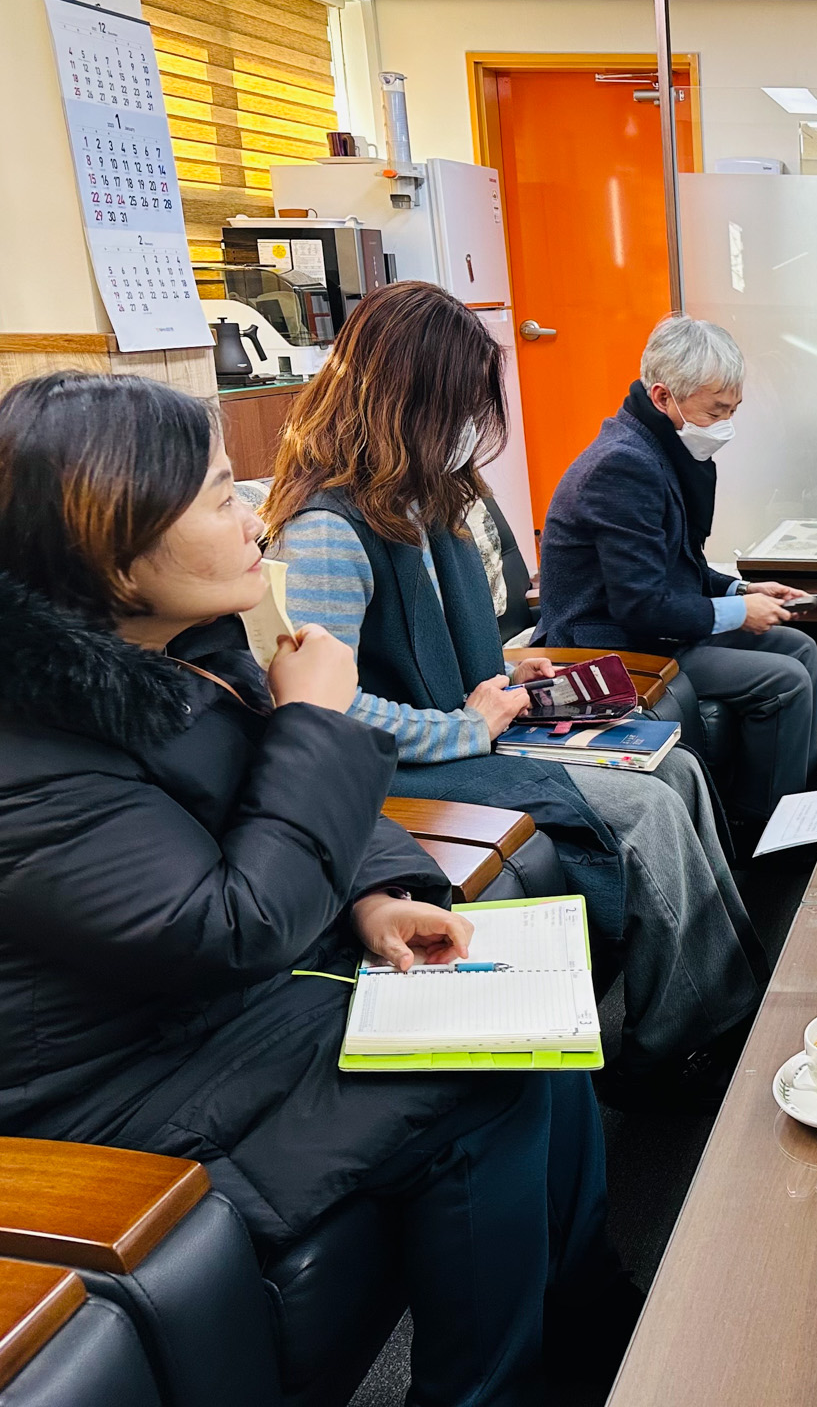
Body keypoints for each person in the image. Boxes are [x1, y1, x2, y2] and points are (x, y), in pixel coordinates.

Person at [0, 371, 637, 1404]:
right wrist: (319, 723)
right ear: (112, 548)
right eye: (216, 497)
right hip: (110, 1081)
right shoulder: (26, 749)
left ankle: (579, 1315)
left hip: (205, 1011)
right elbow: (228, 928)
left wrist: (379, 895)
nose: (254, 518)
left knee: (532, 1024)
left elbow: (282, 821)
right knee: (484, 1074)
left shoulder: (179, 647)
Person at [264, 282, 761, 1090]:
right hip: (415, 761)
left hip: (472, 721)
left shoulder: (427, 498)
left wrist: (499, 672)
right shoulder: (328, 529)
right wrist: (464, 725)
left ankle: (719, 997)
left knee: (677, 768)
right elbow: (326, 708)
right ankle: (674, 1046)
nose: (474, 422)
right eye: (460, 402)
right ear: (409, 402)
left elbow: (446, 641)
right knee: (646, 810)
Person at [534, 313, 817, 828]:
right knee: (785, 679)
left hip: (644, 628)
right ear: (663, 397)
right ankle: (760, 833)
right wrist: (736, 612)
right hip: (605, 646)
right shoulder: (622, 466)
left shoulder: (663, 447)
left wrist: (742, 588)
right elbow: (641, 605)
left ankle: (797, 809)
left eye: (733, 409)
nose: (725, 424)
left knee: (800, 647)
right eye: (716, 411)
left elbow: (677, 564)